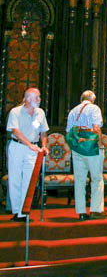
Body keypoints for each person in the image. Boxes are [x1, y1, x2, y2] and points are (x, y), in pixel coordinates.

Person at [6, 88, 49, 221]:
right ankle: (16, 210)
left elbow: (43, 132)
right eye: (37, 97)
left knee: (29, 180)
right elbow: (16, 131)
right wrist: (28, 144)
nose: (40, 99)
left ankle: (23, 212)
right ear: (29, 99)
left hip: (33, 150)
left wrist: (43, 145)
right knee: (15, 179)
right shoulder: (16, 111)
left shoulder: (40, 113)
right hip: (17, 147)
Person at [66, 90, 107, 221]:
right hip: (91, 148)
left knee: (79, 180)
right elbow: (96, 128)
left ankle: (81, 211)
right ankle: (95, 210)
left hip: (77, 148)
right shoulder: (94, 109)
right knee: (96, 178)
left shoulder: (73, 111)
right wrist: (100, 144)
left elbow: (68, 131)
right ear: (92, 100)